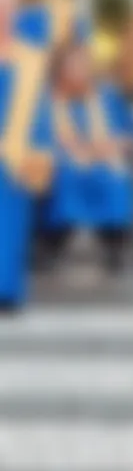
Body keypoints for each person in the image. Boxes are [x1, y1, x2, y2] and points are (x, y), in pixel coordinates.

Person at [40, 43, 133, 273]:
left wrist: (121, 143)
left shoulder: (105, 97)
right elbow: (42, 135)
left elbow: (131, 130)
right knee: (66, 179)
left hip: (104, 159)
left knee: (114, 179)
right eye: (73, 66)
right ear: (61, 70)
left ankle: (113, 244)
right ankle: (53, 242)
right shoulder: (49, 101)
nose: (80, 71)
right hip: (64, 163)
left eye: (83, 65)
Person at [0, 17, 51, 309]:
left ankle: (6, 292)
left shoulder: (29, 60)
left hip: (14, 160)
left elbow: (40, 111)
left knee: (10, 229)